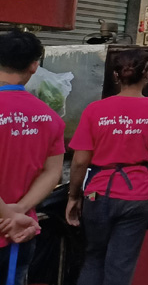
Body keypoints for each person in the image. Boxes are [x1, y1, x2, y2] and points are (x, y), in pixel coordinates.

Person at [68, 49, 148, 285]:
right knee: (121, 263)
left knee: (94, 257)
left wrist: (73, 196)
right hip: (139, 195)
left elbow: (79, 161)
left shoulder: (94, 110)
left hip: (98, 194)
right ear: (147, 75)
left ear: (116, 76)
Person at [0, 31, 65, 285]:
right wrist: (19, 209)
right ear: (34, 66)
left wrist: (8, 216)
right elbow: (53, 173)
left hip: (15, 226)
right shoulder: (50, 117)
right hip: (22, 232)